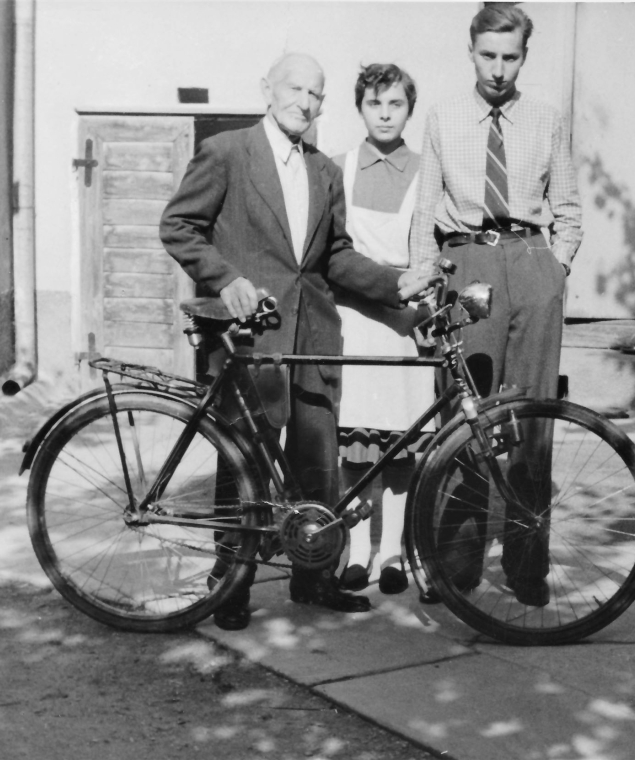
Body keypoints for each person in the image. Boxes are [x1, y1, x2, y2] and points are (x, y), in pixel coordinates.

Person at [160, 53, 439, 631]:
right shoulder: (228, 153)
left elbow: (335, 256)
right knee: (243, 464)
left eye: (315, 93)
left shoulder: (324, 171)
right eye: (295, 89)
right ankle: (230, 582)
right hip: (248, 335)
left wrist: (395, 284)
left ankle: (314, 578)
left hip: (313, 333)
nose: (304, 102)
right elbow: (179, 226)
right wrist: (227, 279)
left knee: (317, 462)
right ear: (268, 89)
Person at [409, 6, 582, 607]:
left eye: (510, 56)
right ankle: (454, 570)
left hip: (531, 264)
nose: (499, 69)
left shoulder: (547, 120)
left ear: (524, 56)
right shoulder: (443, 116)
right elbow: (423, 211)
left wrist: (553, 270)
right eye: (488, 55)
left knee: (532, 423)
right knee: (464, 420)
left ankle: (527, 566)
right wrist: (428, 278)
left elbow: (569, 207)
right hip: (469, 266)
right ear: (471, 52)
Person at [333, 64, 433, 596]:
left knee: (396, 444)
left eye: (395, 104)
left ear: (408, 109)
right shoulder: (338, 169)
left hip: (403, 324)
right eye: (375, 104)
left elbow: (431, 252)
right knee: (355, 444)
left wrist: (422, 301)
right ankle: (353, 550)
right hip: (352, 322)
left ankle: (391, 551)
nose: (386, 113)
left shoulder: (425, 170)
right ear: (361, 108)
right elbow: (331, 253)